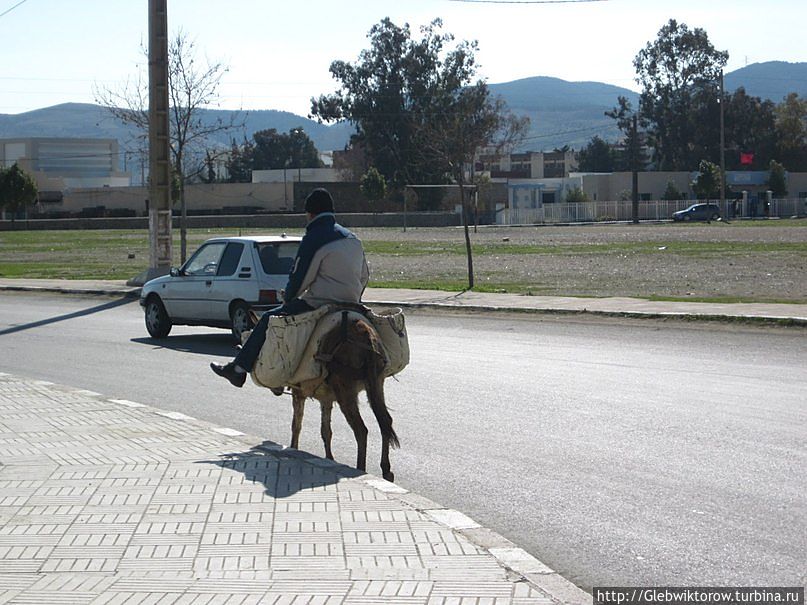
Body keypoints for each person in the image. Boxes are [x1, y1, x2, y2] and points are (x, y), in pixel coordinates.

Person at [210, 188, 369, 390]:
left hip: (320, 302)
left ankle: (240, 369)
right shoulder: (353, 238)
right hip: (352, 303)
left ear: (310, 214)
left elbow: (301, 276)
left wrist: (289, 298)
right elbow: (364, 275)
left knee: (269, 318)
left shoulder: (314, 237)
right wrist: (354, 297)